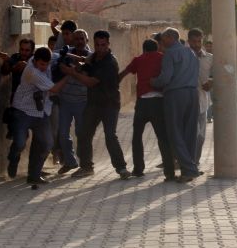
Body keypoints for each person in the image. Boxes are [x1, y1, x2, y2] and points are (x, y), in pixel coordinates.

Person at [61, 30, 131, 179]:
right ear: (94, 44)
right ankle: (86, 167)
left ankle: (121, 168)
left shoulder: (110, 63)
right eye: (97, 45)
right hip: (93, 103)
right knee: (84, 133)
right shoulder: (94, 57)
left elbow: (90, 82)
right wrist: (77, 65)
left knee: (110, 136)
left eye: (103, 45)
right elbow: (86, 63)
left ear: (108, 44)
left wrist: (72, 73)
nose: (100, 48)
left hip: (109, 104)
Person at [7, 47, 70, 183]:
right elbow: (54, 89)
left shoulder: (47, 57)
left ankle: (34, 175)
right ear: (34, 61)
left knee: (46, 144)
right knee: (19, 143)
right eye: (42, 64)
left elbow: (57, 56)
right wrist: (70, 74)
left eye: (47, 64)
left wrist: (72, 58)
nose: (45, 67)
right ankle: (13, 158)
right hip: (23, 111)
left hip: (41, 112)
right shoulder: (32, 72)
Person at [119, 39, 175, 180]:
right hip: (158, 102)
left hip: (142, 103)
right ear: (157, 49)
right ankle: (169, 172)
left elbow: (125, 72)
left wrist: (114, 81)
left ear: (144, 49)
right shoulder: (163, 58)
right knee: (162, 137)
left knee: (137, 136)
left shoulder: (138, 59)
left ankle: (138, 169)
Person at [151, 27, 200, 183]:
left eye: (163, 38)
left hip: (176, 94)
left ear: (170, 37)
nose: (161, 41)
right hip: (193, 94)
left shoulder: (170, 53)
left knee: (175, 133)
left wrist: (153, 81)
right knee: (190, 133)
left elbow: (166, 78)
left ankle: (190, 169)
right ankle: (188, 170)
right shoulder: (191, 53)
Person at [54, 29, 92, 175]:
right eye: (76, 39)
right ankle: (70, 162)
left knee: (81, 134)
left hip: (83, 102)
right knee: (63, 134)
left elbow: (86, 75)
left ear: (86, 41)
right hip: (65, 101)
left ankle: (85, 164)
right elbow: (59, 68)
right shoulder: (65, 54)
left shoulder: (91, 57)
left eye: (82, 39)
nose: (79, 41)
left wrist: (73, 71)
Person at [187, 28, 213, 166]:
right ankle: (189, 163)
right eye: (194, 41)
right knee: (192, 135)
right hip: (186, 102)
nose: (196, 44)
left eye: (199, 41)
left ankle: (194, 162)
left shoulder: (209, 58)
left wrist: (211, 82)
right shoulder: (183, 56)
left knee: (201, 136)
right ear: (189, 41)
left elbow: (217, 74)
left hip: (202, 101)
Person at [204, 40, 214, 123]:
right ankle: (209, 117)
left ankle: (211, 115)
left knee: (214, 99)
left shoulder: (214, 57)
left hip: (214, 81)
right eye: (207, 46)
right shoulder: (204, 56)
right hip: (206, 81)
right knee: (208, 99)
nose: (209, 48)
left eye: (210, 46)